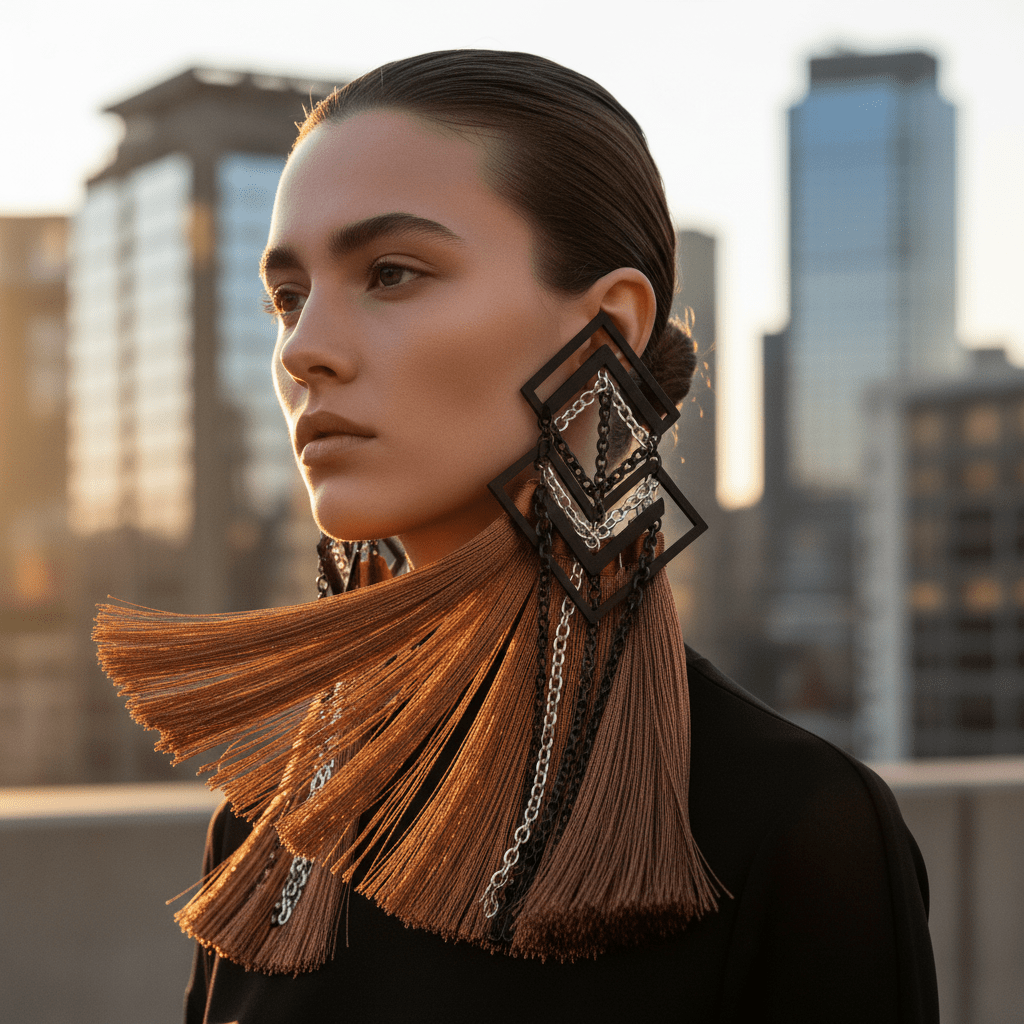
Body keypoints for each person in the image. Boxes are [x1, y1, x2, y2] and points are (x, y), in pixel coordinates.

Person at [95, 50, 939, 1023]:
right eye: (289, 297)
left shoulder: (791, 828)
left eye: (390, 273)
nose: (302, 349)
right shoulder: (274, 826)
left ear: (606, 329)